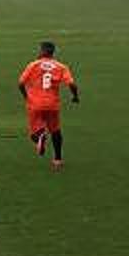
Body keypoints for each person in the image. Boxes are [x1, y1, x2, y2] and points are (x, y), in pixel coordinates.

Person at [17, 41, 79, 170]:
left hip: (34, 104)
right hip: (52, 104)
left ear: (43, 51)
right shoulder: (61, 67)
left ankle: (40, 136)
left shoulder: (33, 65)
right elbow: (72, 84)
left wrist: (26, 97)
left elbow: (20, 83)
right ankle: (57, 159)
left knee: (34, 134)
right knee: (56, 131)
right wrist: (75, 96)